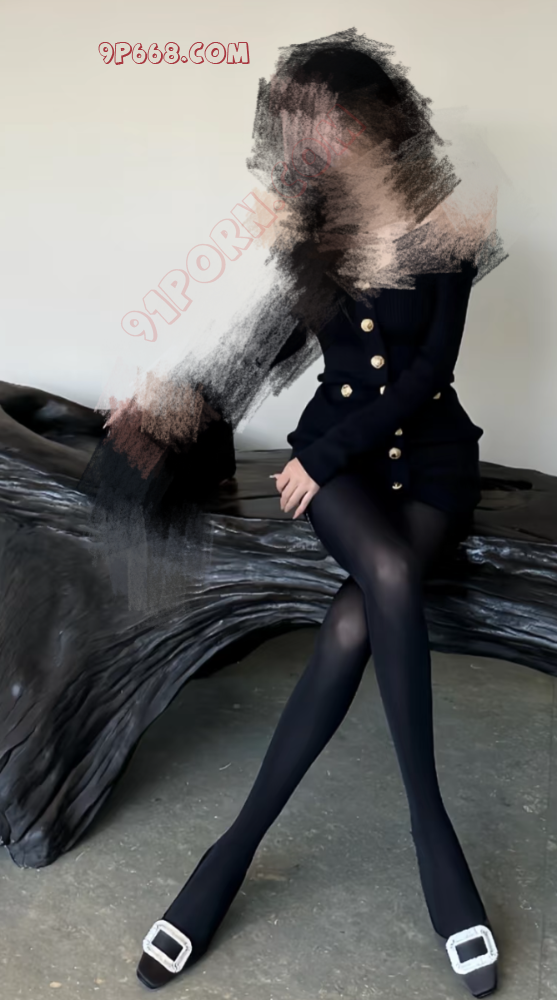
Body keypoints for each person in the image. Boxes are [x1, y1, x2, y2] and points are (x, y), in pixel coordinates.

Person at [136, 35, 501, 999]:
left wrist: (324, 456)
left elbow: (427, 377)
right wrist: (173, 410)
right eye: (298, 126)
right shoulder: (307, 236)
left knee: (352, 619)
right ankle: (434, 842)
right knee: (383, 577)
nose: (312, 142)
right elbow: (263, 350)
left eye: (327, 121)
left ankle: (233, 852)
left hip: (425, 462)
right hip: (332, 466)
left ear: (376, 118)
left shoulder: (452, 227)